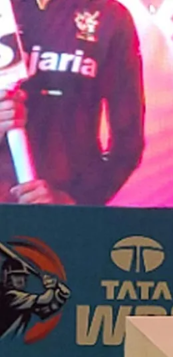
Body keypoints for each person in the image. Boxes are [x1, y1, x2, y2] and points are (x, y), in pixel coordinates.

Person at [0, 0, 145, 205]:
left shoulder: (111, 16)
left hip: (65, 209)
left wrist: (74, 201)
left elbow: (129, 140)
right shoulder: (5, 10)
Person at [0, 255, 70, 339]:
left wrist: (60, 296)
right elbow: (45, 300)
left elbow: (46, 310)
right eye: (16, 275)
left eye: (22, 275)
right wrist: (51, 287)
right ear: (7, 277)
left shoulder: (23, 301)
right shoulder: (10, 296)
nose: (21, 279)